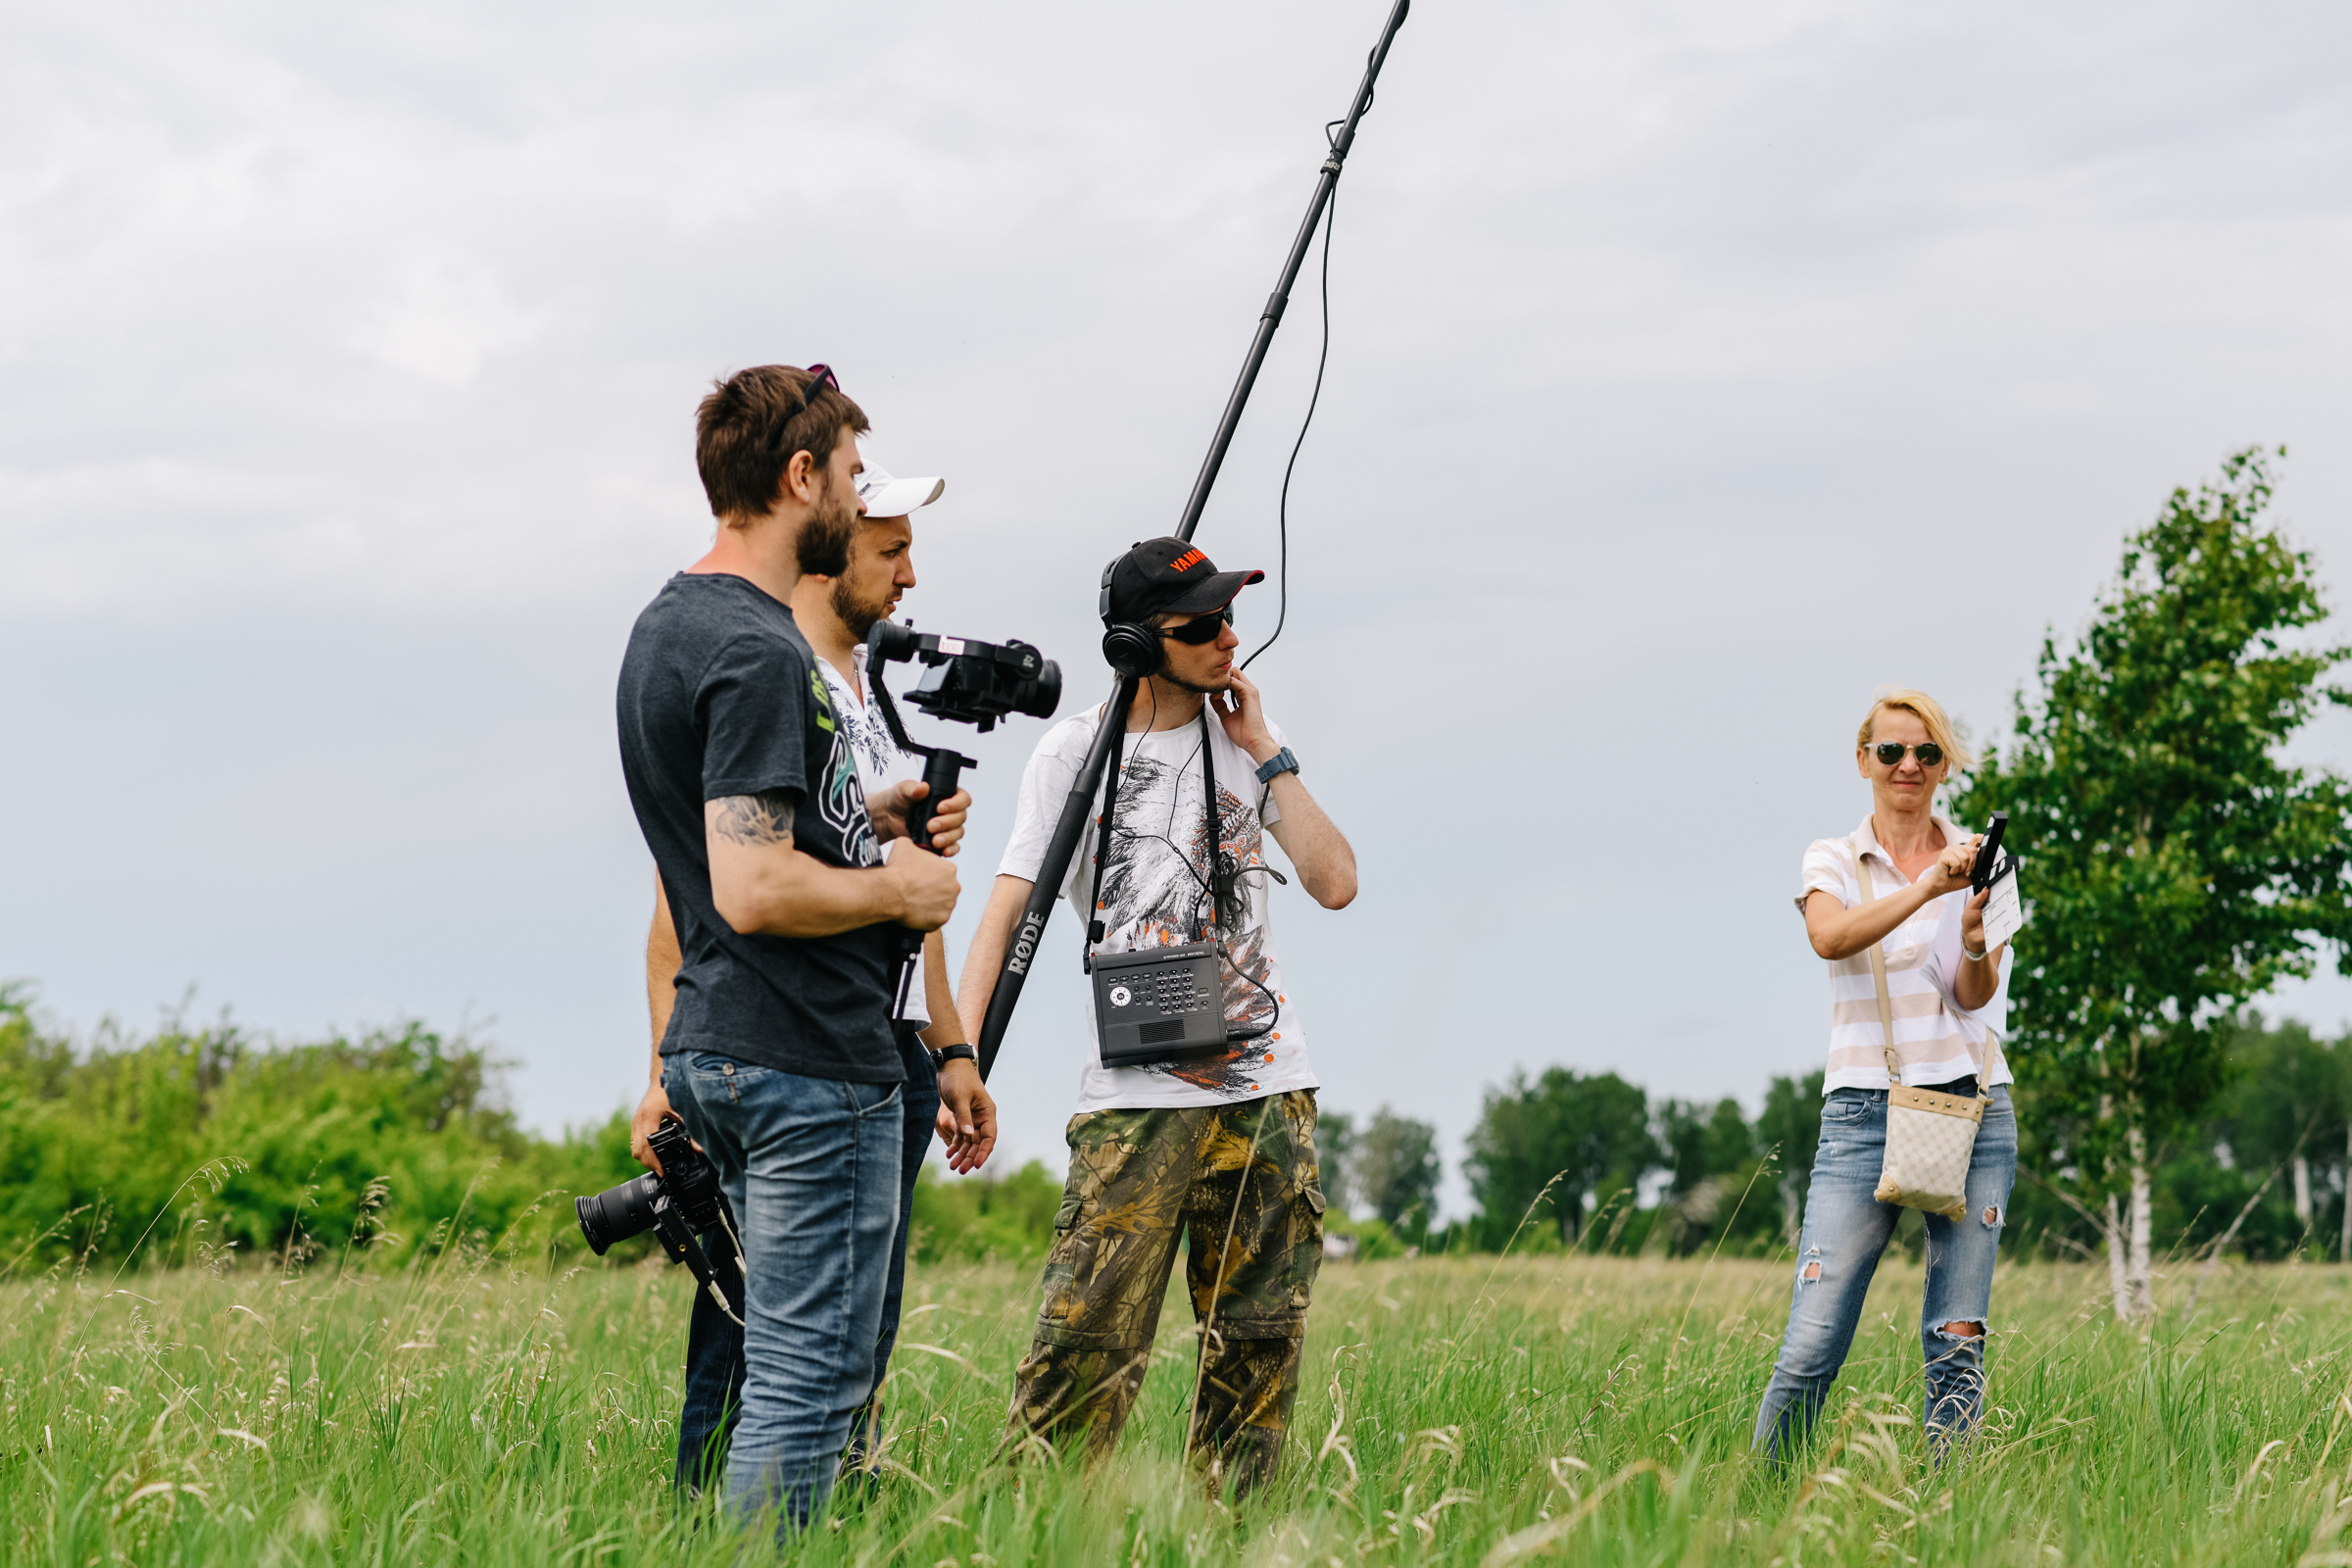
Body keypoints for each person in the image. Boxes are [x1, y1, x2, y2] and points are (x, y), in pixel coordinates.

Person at [614, 364, 962, 1533]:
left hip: (724, 1042)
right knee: (811, 1388)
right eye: (853, 476)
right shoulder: (762, 648)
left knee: (786, 1367)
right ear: (799, 476)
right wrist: (897, 885)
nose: (859, 502)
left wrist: (877, 822)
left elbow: (733, 846)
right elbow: (753, 885)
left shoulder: (668, 623)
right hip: (805, 1056)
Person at [957, 536, 1358, 1497]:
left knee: (1256, 1360)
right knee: (1085, 1347)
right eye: (1203, 625)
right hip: (1135, 1101)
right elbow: (1008, 903)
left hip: (1267, 1091)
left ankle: (1234, 1538)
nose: (1229, 639)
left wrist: (1268, 750)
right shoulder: (1075, 755)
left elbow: (1336, 883)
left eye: (1232, 618)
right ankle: (1041, 1531)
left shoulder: (1249, 742)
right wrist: (958, 1054)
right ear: (1139, 642)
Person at [1751, 688, 2018, 1465]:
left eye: (1926, 753)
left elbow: (1976, 994)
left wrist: (1971, 937)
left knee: (1957, 1342)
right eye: (1892, 751)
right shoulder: (1832, 857)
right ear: (1863, 760)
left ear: (1945, 766)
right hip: (1866, 1111)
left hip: (1973, 1109)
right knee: (1812, 1341)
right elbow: (1830, 938)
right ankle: (1763, 1501)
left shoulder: (1985, 861)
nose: (1909, 766)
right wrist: (1928, 888)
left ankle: (1947, 1508)